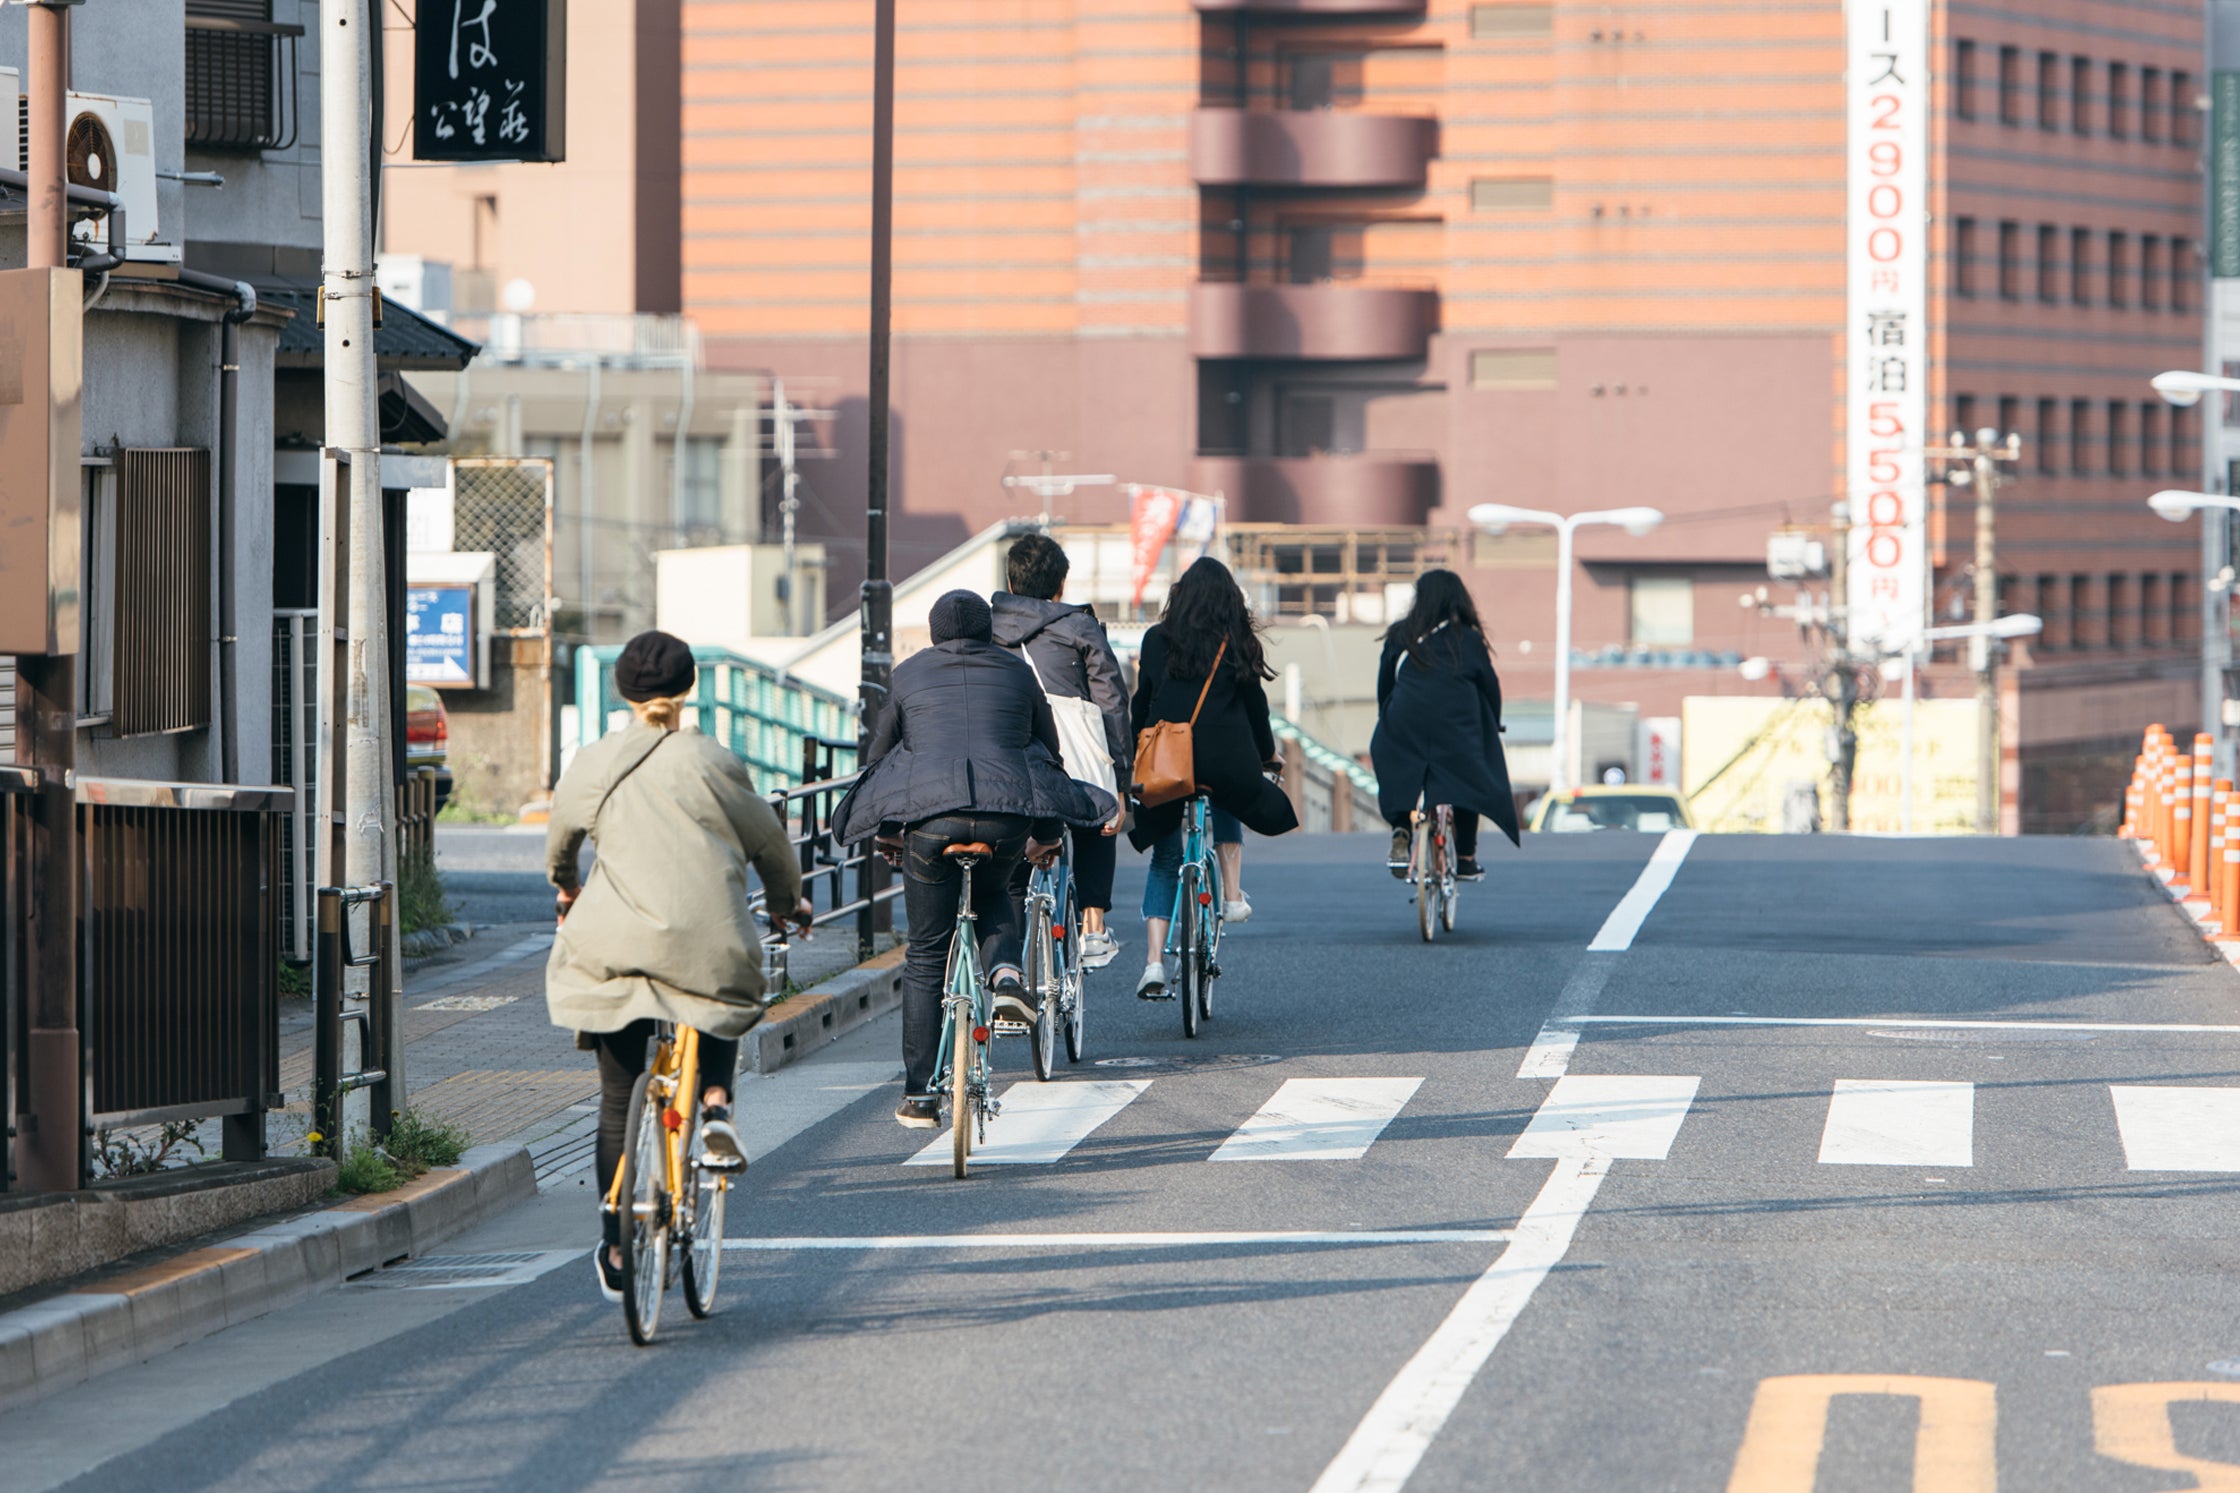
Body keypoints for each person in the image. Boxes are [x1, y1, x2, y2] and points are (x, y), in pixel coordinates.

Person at [545, 629, 813, 1302]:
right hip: (705, 939)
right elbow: (771, 844)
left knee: (616, 1102)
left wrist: (567, 885)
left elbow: (560, 842)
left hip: (614, 947)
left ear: (624, 693)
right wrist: (788, 904)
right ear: (688, 688)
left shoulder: (595, 760)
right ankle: (716, 1104)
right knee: (720, 979)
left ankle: (614, 1244)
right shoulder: (714, 760)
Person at [833, 590, 1116, 1128]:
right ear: (987, 630)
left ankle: (919, 1096)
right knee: (994, 892)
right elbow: (1047, 760)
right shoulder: (1016, 674)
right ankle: (1007, 978)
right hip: (1004, 816)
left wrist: (887, 831)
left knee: (924, 955)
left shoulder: (909, 674)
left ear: (938, 633)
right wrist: (1047, 834)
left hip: (930, 822)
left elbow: (882, 761)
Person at [1129, 557, 1298, 998]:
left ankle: (1152, 962)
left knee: (1166, 859)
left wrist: (1135, 759)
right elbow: (1256, 709)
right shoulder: (1235, 640)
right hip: (1226, 759)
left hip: (1167, 760)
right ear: (1229, 600)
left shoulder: (1155, 640)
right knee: (1230, 793)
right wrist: (1267, 755)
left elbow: (1141, 705)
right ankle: (1232, 894)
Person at [991, 532, 1132, 968]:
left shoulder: (987, 627)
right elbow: (1112, 703)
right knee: (1097, 813)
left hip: (1011, 756)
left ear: (1011, 584)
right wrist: (1121, 782)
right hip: (1074, 757)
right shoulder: (1080, 628)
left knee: (1015, 843)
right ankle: (1092, 930)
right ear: (1061, 586)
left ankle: (1007, 961)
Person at [1369, 569, 1521, 879]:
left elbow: (1385, 686)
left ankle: (1401, 829)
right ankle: (1465, 859)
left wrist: (1387, 718)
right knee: (1467, 782)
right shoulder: (1467, 639)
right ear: (1457, 599)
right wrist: (1494, 722)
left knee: (1400, 771)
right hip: (1455, 728)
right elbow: (1490, 687)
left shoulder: (1401, 634)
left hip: (1404, 724)